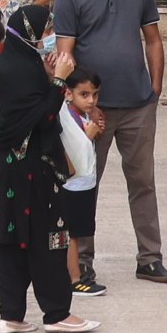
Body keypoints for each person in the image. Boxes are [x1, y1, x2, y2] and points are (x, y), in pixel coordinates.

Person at [46, 0, 167, 284]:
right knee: (84, 183)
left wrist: (156, 89)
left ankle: (150, 258)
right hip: (90, 111)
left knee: (143, 182)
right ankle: (81, 260)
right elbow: (65, 55)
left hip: (137, 105)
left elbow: (152, 39)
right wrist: (78, 105)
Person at [0, 11, 93, 333]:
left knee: (13, 240)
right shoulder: (18, 70)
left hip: (11, 170)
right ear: (30, 32)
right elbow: (41, 116)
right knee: (49, 239)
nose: (50, 35)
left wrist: (46, 75)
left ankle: (11, 315)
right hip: (31, 170)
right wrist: (58, 79)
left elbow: (30, 106)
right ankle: (58, 313)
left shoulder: (17, 64)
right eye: (47, 29)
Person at [57, 72, 109, 297]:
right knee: (71, 234)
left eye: (95, 95)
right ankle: (74, 279)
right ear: (68, 93)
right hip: (72, 185)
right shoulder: (66, 116)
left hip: (84, 183)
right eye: (84, 95)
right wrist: (88, 135)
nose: (91, 100)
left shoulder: (85, 115)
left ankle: (70, 274)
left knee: (76, 232)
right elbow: (75, 147)